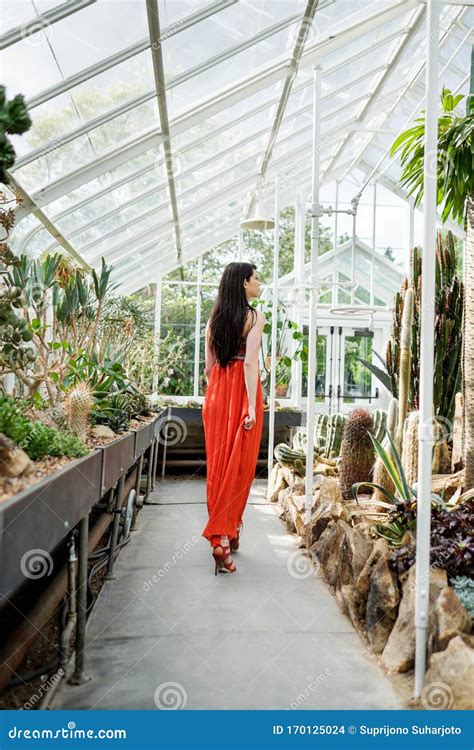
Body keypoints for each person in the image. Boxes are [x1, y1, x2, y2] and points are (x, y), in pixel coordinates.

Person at [202, 262, 265, 575]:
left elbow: (208, 366)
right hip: (243, 392)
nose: (259, 283)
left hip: (216, 395)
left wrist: (216, 395)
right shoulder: (254, 317)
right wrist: (251, 407)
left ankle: (224, 536)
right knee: (239, 468)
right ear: (244, 283)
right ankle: (226, 531)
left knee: (218, 467)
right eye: (256, 279)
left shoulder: (213, 320)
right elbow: (250, 364)